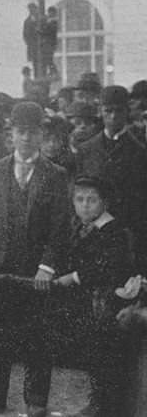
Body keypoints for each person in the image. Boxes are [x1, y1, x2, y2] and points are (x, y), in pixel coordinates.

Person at [0, 101, 71, 417]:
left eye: (33, 132)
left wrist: (47, 267)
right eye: (20, 131)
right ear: (10, 134)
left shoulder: (56, 175)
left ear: (42, 135)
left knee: (38, 338)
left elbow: (60, 227)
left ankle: (36, 401)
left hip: (35, 273)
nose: (26, 138)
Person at [50, 175, 136, 417]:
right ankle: (97, 401)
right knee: (93, 352)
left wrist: (74, 277)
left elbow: (108, 267)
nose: (85, 205)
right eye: (79, 199)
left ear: (104, 203)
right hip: (88, 301)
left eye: (92, 200)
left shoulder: (113, 230)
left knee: (105, 353)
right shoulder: (79, 227)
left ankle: (106, 406)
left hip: (108, 300)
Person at [75, 85, 147, 273]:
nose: (113, 116)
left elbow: (141, 204)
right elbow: (78, 193)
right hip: (91, 236)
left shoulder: (140, 153)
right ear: (100, 111)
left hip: (125, 236)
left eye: (119, 111)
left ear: (127, 111)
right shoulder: (86, 150)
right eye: (108, 111)